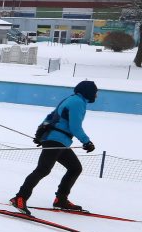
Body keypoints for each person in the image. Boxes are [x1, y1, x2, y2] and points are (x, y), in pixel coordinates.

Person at [10, 81, 98, 215]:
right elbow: (75, 127)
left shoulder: (71, 99)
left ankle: (61, 200)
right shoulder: (78, 103)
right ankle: (19, 198)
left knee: (75, 168)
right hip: (56, 140)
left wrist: (40, 133)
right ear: (88, 92)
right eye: (95, 92)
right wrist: (87, 142)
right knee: (43, 170)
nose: (96, 96)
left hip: (59, 141)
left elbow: (50, 116)